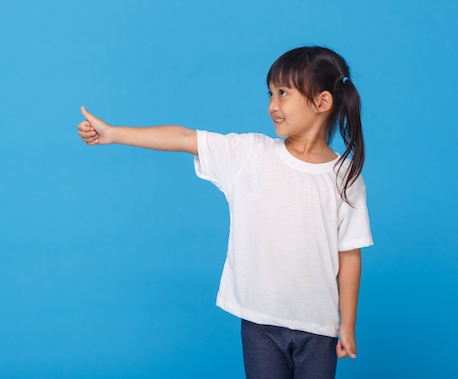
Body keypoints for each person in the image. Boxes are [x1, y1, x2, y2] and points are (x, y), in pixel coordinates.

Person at [76, 46, 373, 379]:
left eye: (284, 93)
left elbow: (349, 256)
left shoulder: (345, 177)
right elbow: (185, 137)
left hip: (318, 327)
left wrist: (347, 324)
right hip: (260, 323)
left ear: (322, 102)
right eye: (271, 93)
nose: (272, 104)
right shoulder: (250, 154)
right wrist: (113, 133)